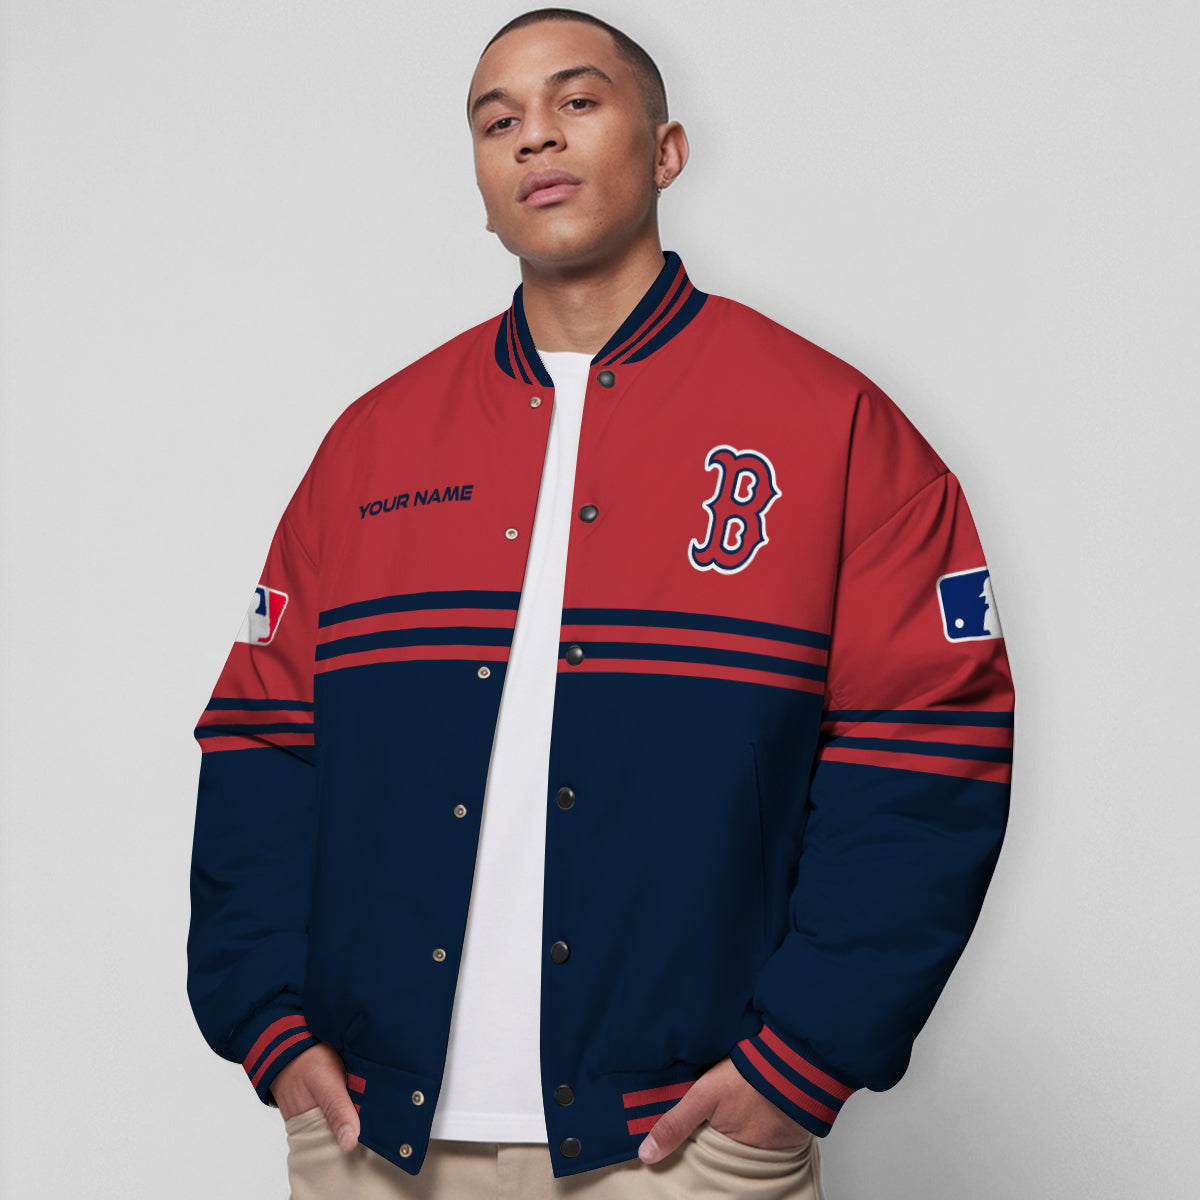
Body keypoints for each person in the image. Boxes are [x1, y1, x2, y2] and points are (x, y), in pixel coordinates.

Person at [186, 8, 1015, 1198]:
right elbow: (263, 742)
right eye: (496, 122)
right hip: (371, 1136)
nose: (534, 137)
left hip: (680, 1146)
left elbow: (927, 751)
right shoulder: (370, 445)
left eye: (576, 101)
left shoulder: (835, 428)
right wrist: (268, 1023)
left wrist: (800, 1064)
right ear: (481, 184)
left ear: (666, 150)